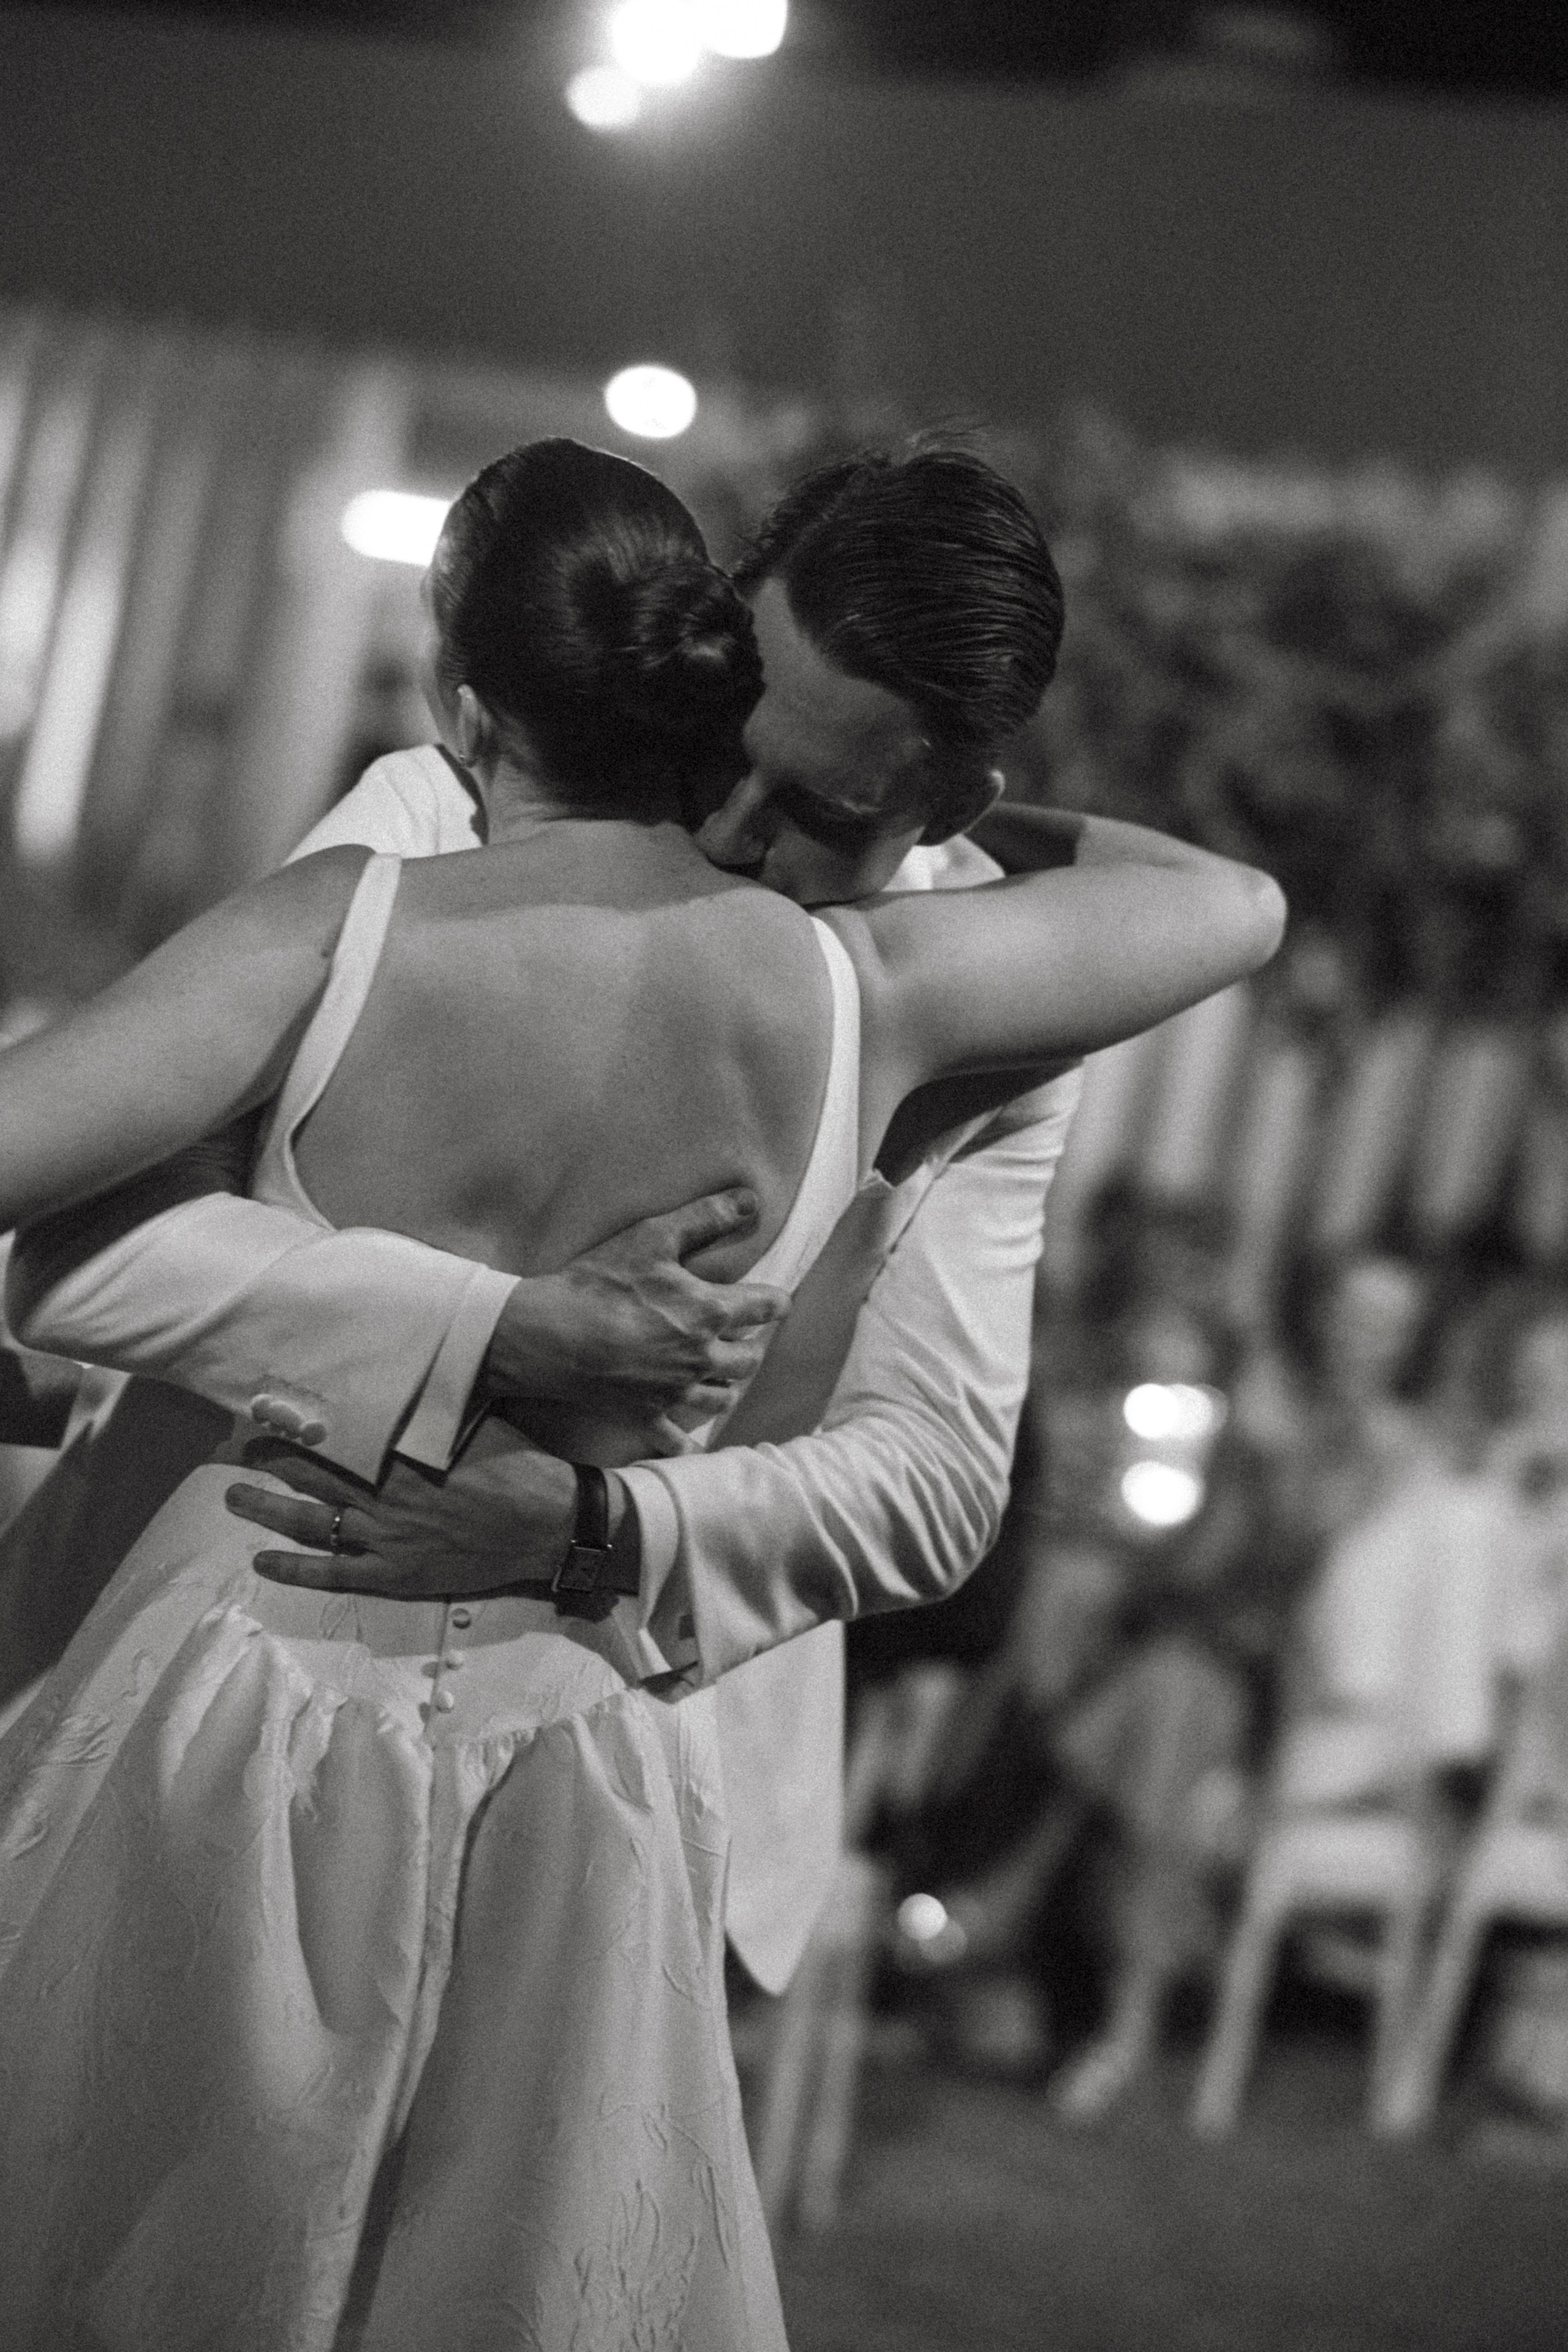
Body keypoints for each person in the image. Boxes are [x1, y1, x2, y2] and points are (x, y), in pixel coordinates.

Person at [0, 442, 1283, 2348]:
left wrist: (603, 1524)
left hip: (610, 1736)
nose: (742, 832)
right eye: (729, 737)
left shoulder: (969, 992)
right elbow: (107, 1254)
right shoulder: (443, 830)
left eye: (825, 802)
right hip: (242, 1654)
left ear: (948, 799)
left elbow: (937, 1479)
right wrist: (493, 1329)